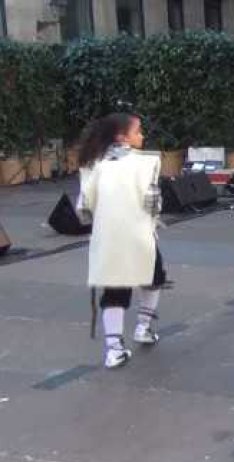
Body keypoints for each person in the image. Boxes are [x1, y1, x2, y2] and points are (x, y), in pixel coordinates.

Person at [76, 113, 166, 369]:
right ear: (122, 137)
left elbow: (84, 207)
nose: (142, 135)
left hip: (108, 237)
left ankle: (114, 348)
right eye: (138, 131)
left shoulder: (93, 162)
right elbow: (153, 204)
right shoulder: (147, 163)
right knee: (153, 278)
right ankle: (143, 327)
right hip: (139, 234)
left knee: (114, 289)